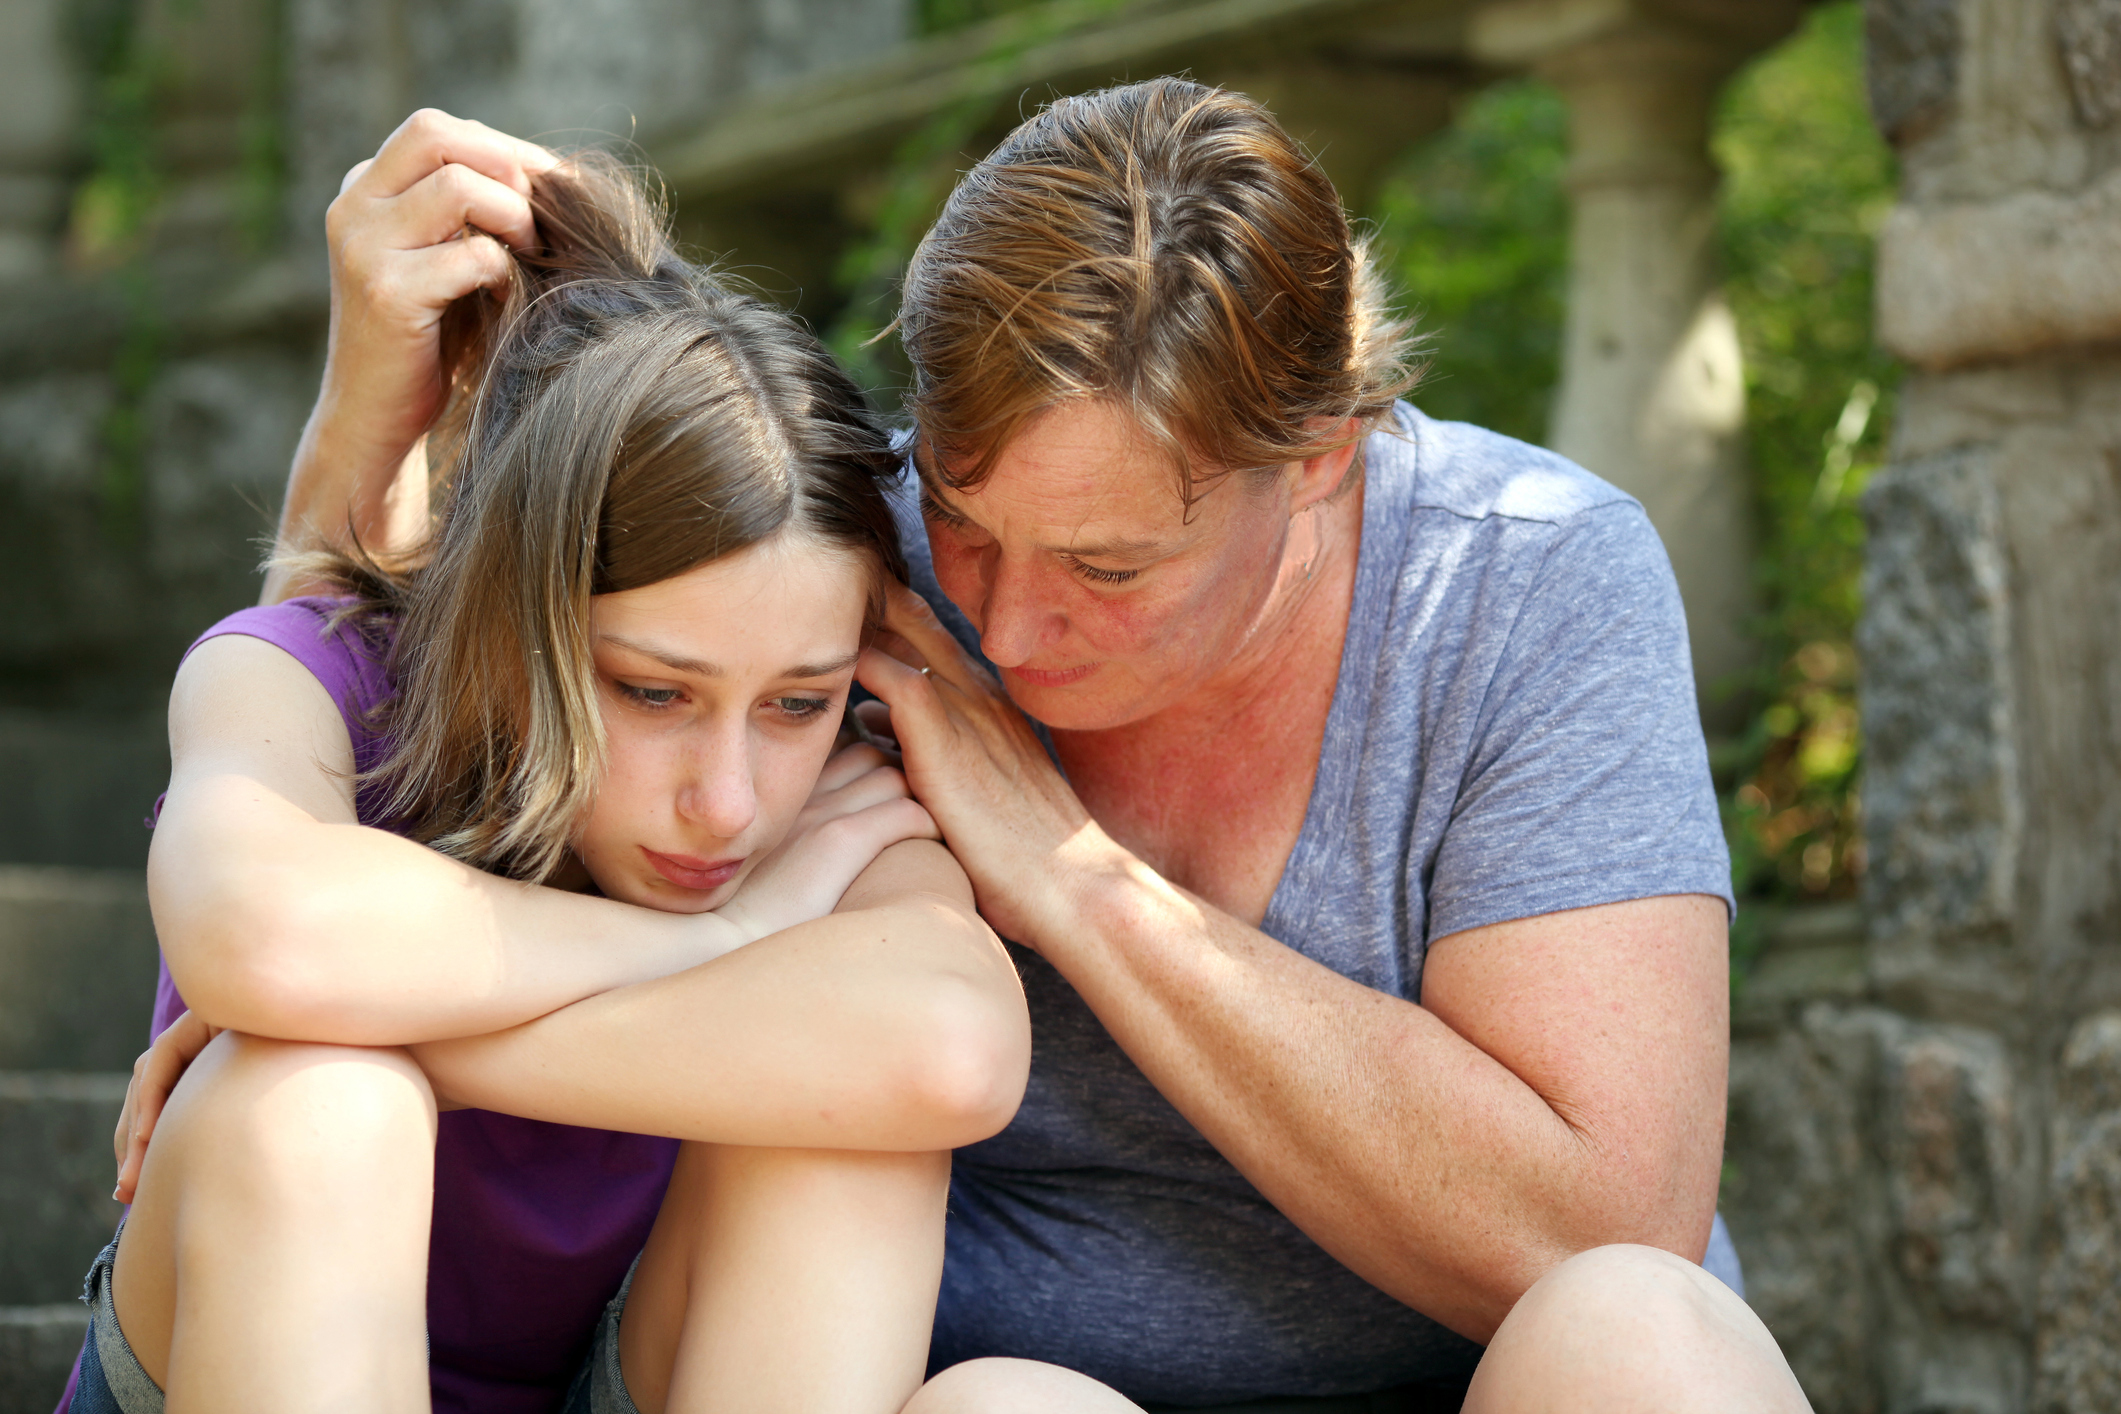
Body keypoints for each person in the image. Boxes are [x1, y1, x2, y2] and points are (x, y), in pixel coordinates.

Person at [219, 82, 1816, 1413]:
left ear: (1323, 460)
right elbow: (417, 657)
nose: (1011, 622)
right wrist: (371, 395)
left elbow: (1603, 1218)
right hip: (1003, 1382)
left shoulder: (1523, 576)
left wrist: (1072, 874)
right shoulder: (858, 585)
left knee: (1641, 1333)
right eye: (966, 520)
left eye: (1110, 569)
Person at [64, 150, 1142, 1414]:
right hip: (240, 1336)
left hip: (613, 1371)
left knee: (1012, 1382)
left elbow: (949, 1051)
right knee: (319, 1096)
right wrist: (739, 939)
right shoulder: (312, 674)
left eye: (796, 701)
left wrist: (412, 1018)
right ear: (512, 625)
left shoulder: (841, 794)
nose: (730, 803)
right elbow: (267, 936)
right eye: (652, 692)